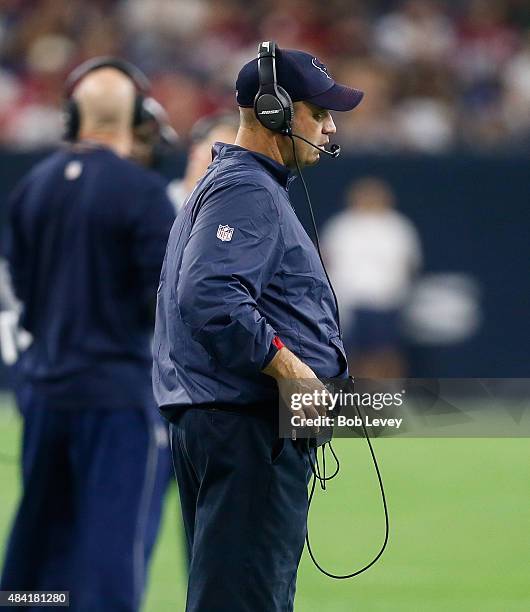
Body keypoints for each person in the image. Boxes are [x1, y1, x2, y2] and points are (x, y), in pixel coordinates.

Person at [153, 42, 363, 611]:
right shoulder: (245, 190)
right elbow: (211, 294)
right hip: (246, 427)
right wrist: (291, 369)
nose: (328, 126)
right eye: (318, 112)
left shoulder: (243, 186)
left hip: (238, 425)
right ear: (275, 111)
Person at [0, 59, 176, 611]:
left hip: (45, 393)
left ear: (72, 115)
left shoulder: (33, 187)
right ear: (137, 119)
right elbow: (164, 303)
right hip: (116, 398)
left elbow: (22, 293)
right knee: (109, 550)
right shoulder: (143, 192)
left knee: (39, 544)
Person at [322, 177, 422, 377]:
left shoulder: (397, 226)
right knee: (349, 353)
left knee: (386, 352)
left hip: (385, 302)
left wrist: (397, 289)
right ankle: (356, 396)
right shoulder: (342, 226)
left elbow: (410, 264)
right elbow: (325, 260)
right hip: (348, 303)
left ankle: (388, 395)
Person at [167, 112, 239, 212]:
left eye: (235, 162)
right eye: (220, 154)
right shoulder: (156, 202)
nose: (226, 168)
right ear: (195, 151)